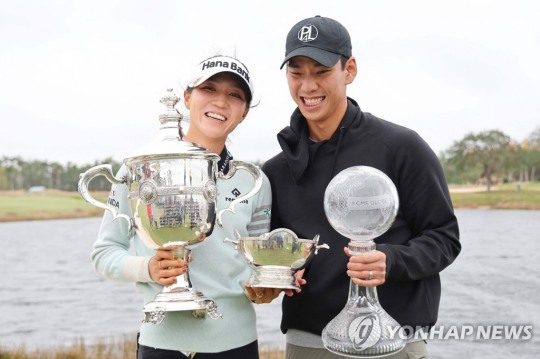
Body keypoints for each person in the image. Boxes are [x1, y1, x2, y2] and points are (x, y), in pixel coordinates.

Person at [249, 15, 461, 358]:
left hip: (391, 341)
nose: (307, 86)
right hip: (307, 343)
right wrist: (273, 279)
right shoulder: (275, 170)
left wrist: (390, 261)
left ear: (349, 70)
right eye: (296, 72)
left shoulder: (402, 147)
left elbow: (444, 237)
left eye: (320, 71)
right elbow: (274, 253)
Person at [91, 54, 272, 359]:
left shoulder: (254, 180)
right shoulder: (140, 169)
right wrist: (148, 268)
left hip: (237, 345)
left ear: (243, 114)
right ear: (187, 98)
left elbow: (260, 264)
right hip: (162, 343)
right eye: (209, 89)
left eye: (234, 95)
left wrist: (266, 287)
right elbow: (104, 254)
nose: (220, 102)